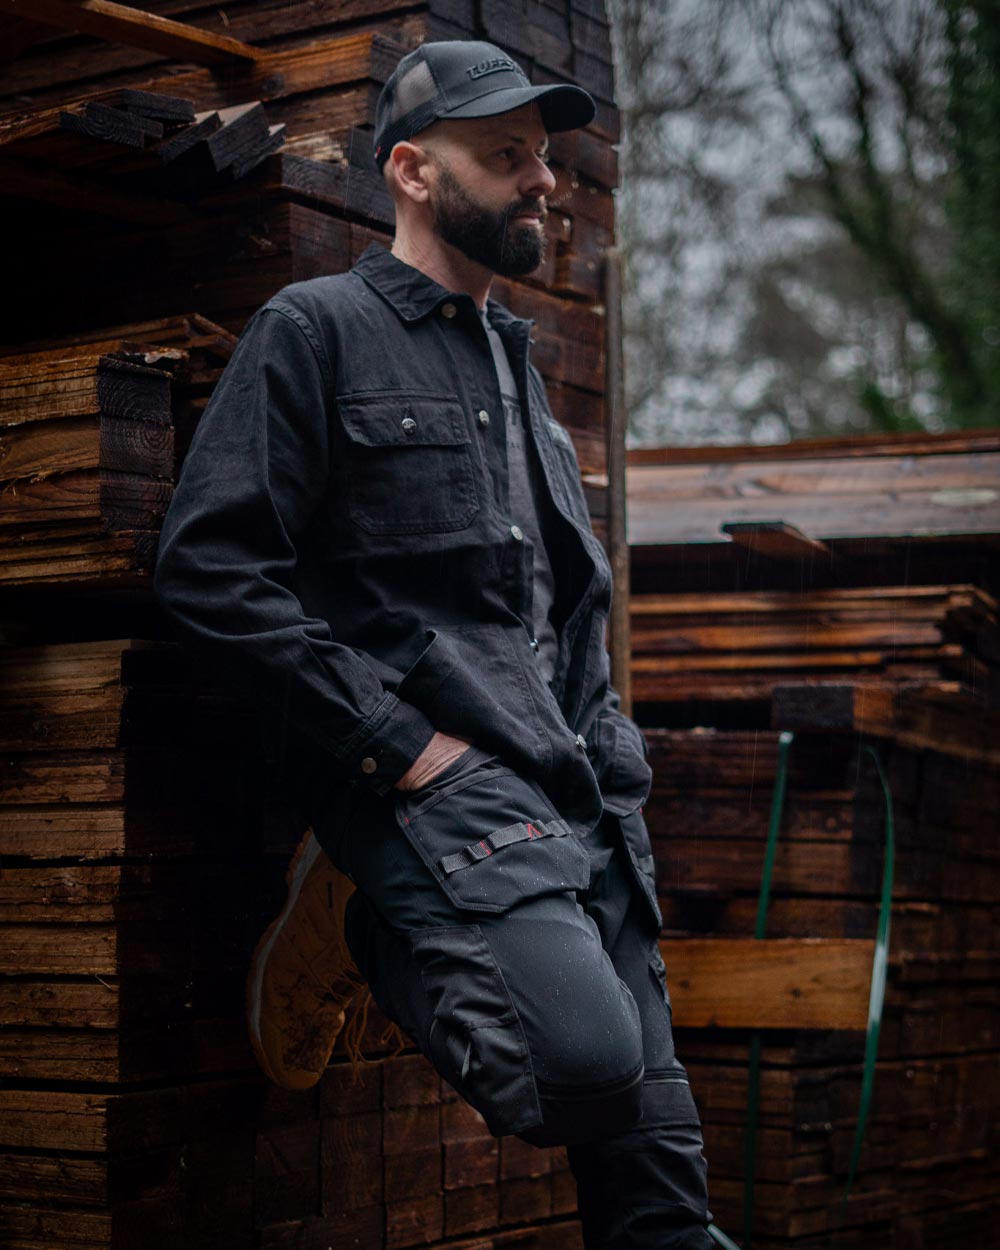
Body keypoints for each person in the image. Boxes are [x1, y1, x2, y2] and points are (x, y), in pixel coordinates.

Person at [153, 39, 715, 1250]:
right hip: (431, 789)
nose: (543, 181)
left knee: (662, 1182)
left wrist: (616, 768)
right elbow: (208, 569)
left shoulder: (530, 394)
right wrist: (401, 747)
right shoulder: (317, 330)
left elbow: (572, 620)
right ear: (411, 169)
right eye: (504, 155)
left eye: (548, 159)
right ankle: (356, 914)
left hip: (581, 799)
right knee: (578, 1076)